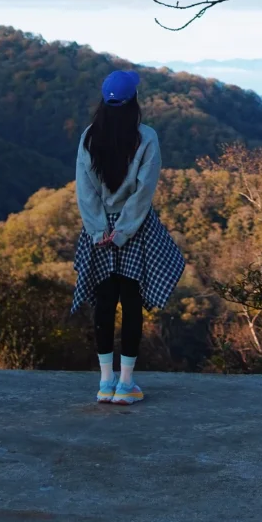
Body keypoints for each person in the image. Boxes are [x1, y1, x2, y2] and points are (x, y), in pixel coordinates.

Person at [71, 69, 185, 404]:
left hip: (99, 229)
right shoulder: (146, 136)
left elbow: (85, 190)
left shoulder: (90, 137)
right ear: (134, 100)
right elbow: (144, 191)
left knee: (104, 302)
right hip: (135, 230)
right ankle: (126, 384)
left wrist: (99, 231)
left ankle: (105, 383)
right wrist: (122, 231)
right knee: (131, 303)